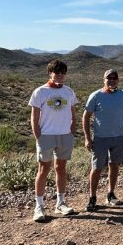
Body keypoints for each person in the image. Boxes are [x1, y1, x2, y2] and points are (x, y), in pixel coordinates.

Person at [28, 59, 78, 222]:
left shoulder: (69, 92)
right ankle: (39, 206)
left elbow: (73, 113)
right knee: (43, 170)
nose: (60, 76)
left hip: (64, 134)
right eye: (57, 72)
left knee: (61, 168)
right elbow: (34, 117)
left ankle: (60, 203)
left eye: (63, 73)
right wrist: (38, 136)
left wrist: (71, 131)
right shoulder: (40, 92)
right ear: (50, 73)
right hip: (46, 135)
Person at [82, 69, 123, 212]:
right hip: (100, 138)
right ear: (103, 79)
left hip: (119, 137)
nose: (112, 80)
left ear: (118, 80)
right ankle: (92, 197)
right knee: (97, 168)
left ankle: (110, 194)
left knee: (115, 165)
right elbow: (86, 117)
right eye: (108, 78)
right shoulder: (96, 96)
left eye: (114, 78)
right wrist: (87, 138)